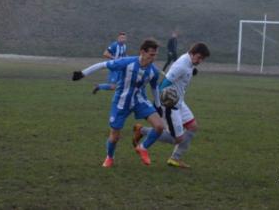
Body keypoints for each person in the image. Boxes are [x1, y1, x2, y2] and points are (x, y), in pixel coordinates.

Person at [73, 38, 165, 168]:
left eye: (155, 55)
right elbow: (103, 65)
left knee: (160, 126)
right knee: (115, 136)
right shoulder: (127, 62)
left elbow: (154, 88)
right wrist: (82, 73)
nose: (154, 58)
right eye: (151, 54)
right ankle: (110, 157)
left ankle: (143, 148)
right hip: (121, 101)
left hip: (140, 101)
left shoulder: (153, 71)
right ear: (142, 52)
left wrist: (158, 105)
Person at [133, 42, 210, 169]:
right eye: (199, 58)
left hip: (179, 101)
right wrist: (159, 104)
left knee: (192, 126)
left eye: (203, 59)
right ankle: (142, 131)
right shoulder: (181, 65)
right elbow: (163, 84)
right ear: (191, 53)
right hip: (169, 105)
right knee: (177, 139)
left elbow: (185, 72)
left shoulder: (189, 62)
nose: (200, 61)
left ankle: (175, 159)